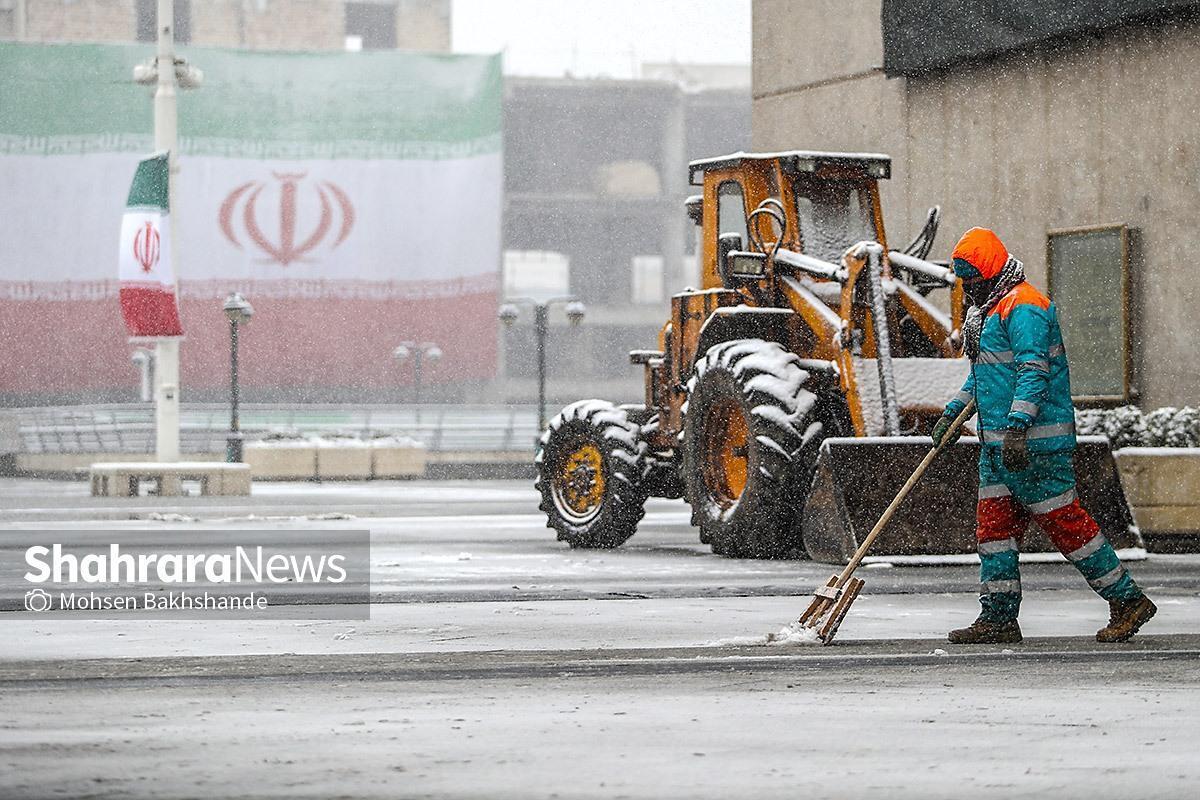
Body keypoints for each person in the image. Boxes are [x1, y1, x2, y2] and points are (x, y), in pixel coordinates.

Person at [930, 227, 1155, 644]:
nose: (969, 290)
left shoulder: (1025, 307)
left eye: (974, 281)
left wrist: (1017, 426)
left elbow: (1033, 371)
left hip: (1035, 446)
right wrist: (951, 414)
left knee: (1065, 524)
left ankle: (1126, 599)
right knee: (994, 532)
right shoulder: (985, 311)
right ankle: (998, 617)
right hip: (997, 448)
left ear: (991, 273)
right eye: (964, 282)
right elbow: (984, 378)